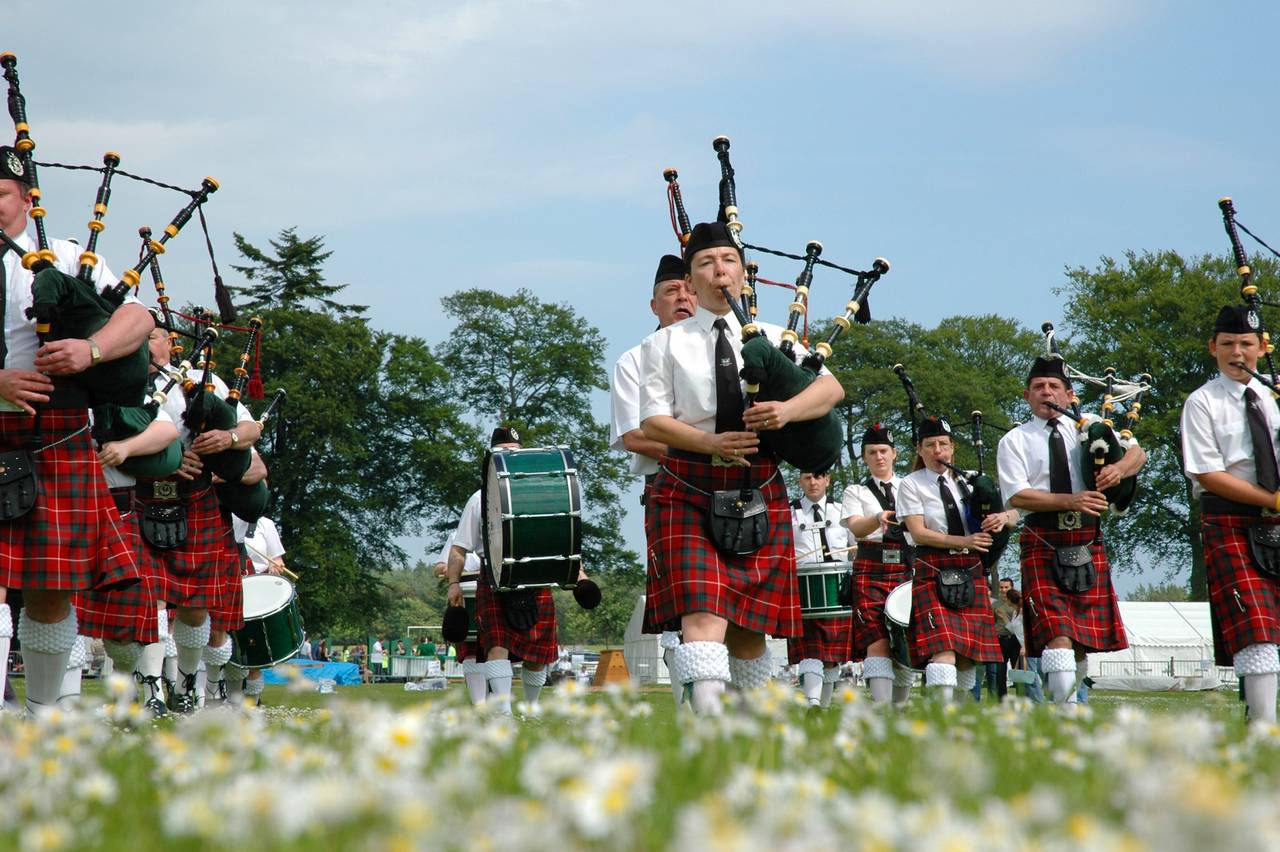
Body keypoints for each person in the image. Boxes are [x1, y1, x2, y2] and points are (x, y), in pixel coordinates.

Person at [639, 221, 844, 715]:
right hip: (690, 485)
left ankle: (750, 726)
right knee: (703, 613)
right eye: (707, 264)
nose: (720, 271)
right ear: (691, 280)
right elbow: (653, 421)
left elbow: (831, 391)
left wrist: (787, 411)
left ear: (743, 275)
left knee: (751, 630)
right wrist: (710, 443)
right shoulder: (663, 345)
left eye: (728, 261)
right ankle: (710, 722)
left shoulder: (775, 337)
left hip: (759, 486)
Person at [0, 149, 153, 715]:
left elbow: (137, 319)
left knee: (49, 590)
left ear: (25, 199)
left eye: (0, 196)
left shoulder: (65, 255)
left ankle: (43, 712)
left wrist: (90, 350)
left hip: (57, 431)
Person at [997, 355, 1142, 704]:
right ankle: (1063, 712)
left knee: (1077, 642)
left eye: (1053, 386)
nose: (1046, 392)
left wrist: (1119, 469)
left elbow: (1139, 453)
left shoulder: (1089, 425)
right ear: (1027, 395)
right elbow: (1017, 495)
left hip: (1087, 538)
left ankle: (1070, 706)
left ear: (1068, 393)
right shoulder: (1015, 440)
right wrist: (1071, 500)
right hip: (1043, 538)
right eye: (1038, 387)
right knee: (1057, 635)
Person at [134, 323, 261, 713]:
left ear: (170, 342)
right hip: (145, 495)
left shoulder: (202, 381)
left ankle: (188, 682)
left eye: (153, 333)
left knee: (195, 604)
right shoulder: (122, 384)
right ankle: (152, 689)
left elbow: (251, 428)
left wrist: (228, 440)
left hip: (198, 500)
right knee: (148, 597)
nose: (145, 339)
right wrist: (167, 459)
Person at [446, 427, 597, 713]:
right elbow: (459, 548)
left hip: (535, 578)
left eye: (515, 452)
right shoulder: (479, 499)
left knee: (538, 653)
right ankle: (502, 713)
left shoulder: (539, 493)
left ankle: (530, 711)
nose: (510, 458)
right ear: (492, 458)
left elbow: (560, 539)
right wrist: (453, 584)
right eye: (504, 453)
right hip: (494, 580)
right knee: (496, 646)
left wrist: (581, 576)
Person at [1180, 305, 1280, 725]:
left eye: (1246, 344)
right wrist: (1272, 501)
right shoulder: (1202, 403)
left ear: (1262, 346)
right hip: (1232, 521)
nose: (1237, 352)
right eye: (1228, 344)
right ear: (1213, 348)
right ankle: (1262, 727)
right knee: (1257, 630)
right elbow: (1207, 472)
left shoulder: (1274, 398)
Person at [609, 254, 696, 711]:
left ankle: (738, 709)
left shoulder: (730, 351)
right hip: (673, 490)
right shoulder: (634, 361)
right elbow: (633, 436)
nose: (683, 299)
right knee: (679, 611)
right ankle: (689, 714)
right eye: (671, 292)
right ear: (653, 305)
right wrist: (707, 447)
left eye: (690, 291)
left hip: (738, 490)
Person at [897, 416, 1015, 703]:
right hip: (933, 568)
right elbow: (918, 532)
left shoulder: (974, 481)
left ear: (952, 448)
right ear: (920, 450)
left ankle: (959, 717)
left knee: (967, 655)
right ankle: (942, 717)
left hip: (971, 569)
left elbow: (1014, 511)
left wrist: (1003, 518)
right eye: (930, 445)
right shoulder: (911, 484)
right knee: (944, 651)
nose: (937, 451)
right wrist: (964, 541)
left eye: (943, 444)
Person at [841, 423, 916, 705]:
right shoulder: (855, 492)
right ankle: (882, 710)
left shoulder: (909, 487)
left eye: (884, 451)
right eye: (872, 452)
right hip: (870, 566)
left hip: (905, 566)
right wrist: (877, 518)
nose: (879, 457)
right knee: (877, 639)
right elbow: (857, 529)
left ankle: (900, 709)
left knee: (905, 639)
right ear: (864, 457)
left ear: (894, 453)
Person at [787, 469, 852, 708]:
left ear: (827, 479)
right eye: (807, 477)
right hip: (803, 587)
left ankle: (821, 709)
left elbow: (856, 546)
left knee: (831, 656)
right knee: (810, 651)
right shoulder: (788, 513)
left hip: (838, 588)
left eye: (818, 476)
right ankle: (812, 703)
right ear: (799, 480)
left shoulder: (844, 510)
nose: (813, 482)